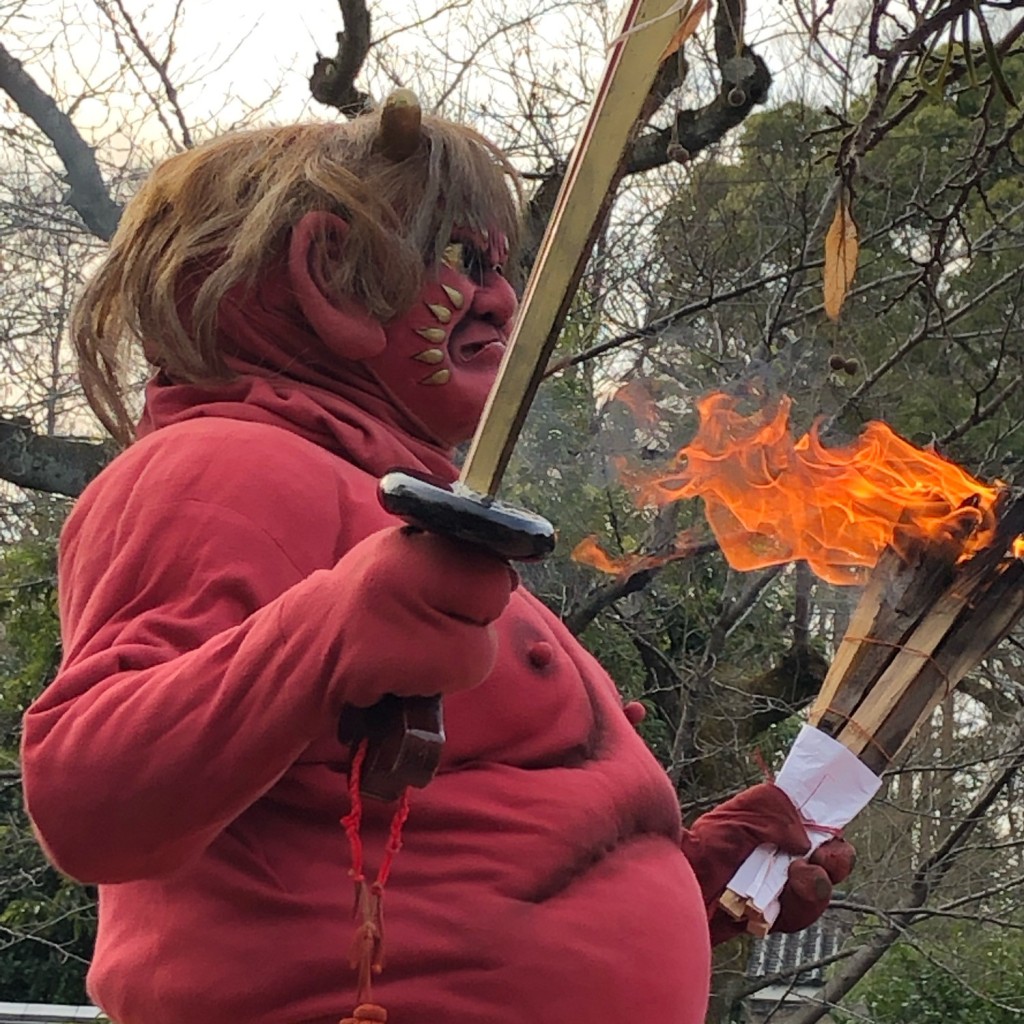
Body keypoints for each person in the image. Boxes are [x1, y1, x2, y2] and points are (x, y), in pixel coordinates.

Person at [21, 95, 852, 1024]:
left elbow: (475, 861)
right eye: (463, 261)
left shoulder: (386, 508)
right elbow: (93, 802)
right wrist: (329, 631)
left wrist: (694, 877)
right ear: (324, 269)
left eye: (504, 266)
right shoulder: (229, 465)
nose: (502, 297)